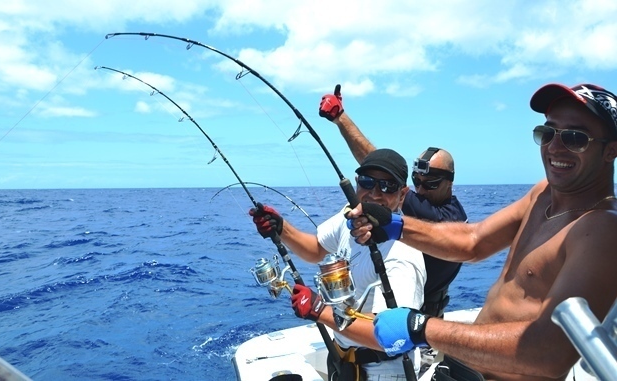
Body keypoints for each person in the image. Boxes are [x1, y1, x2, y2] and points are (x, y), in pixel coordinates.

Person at [346, 83, 617, 381]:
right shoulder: (544, 193)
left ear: (611, 150)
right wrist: (395, 225)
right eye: (548, 133)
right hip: (462, 367)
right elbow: (473, 242)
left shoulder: (602, 228)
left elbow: (550, 353)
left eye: (575, 138)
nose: (554, 147)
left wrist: (421, 328)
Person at [250, 149, 426, 380]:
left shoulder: (404, 254)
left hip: (386, 371)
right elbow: (315, 249)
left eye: (387, 186)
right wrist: (281, 228)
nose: (374, 193)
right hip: (344, 361)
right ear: (356, 184)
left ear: (402, 194)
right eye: (367, 182)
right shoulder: (351, 218)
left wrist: (319, 310)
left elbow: (393, 336)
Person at [319, 88, 467, 318]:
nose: (420, 189)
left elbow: (376, 164)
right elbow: (380, 170)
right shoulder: (427, 203)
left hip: (419, 318)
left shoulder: (444, 216)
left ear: (450, 182)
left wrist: (341, 119)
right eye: (416, 181)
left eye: (430, 184)